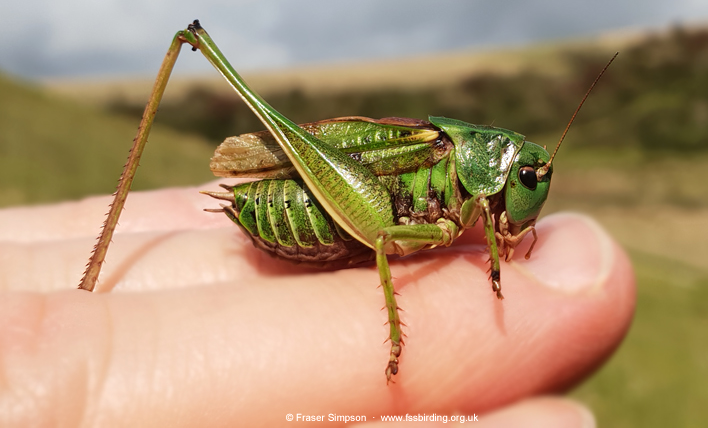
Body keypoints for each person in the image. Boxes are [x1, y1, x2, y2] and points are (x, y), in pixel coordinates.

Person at [0, 182, 635, 427]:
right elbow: (385, 237)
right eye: (525, 179)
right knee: (387, 236)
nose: (528, 191)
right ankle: (89, 283)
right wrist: (396, 342)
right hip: (314, 208)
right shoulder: (444, 161)